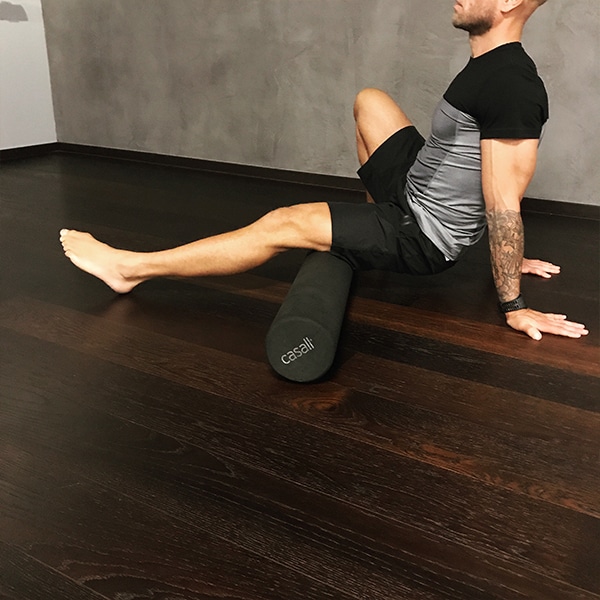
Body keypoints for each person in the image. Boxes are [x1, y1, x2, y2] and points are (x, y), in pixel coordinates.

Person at [59, 0, 588, 341]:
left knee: (282, 221)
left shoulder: (513, 85)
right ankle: (369, 226)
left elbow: (502, 200)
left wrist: (513, 303)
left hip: (422, 234)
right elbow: (479, 174)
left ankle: (130, 268)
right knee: (371, 100)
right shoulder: (488, 65)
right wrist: (509, 253)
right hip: (412, 188)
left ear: (507, 2)